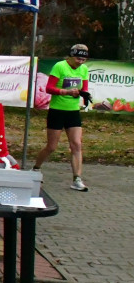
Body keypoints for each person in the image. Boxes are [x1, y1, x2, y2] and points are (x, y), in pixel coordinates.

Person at [32, 44, 91, 191]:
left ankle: (77, 179)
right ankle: (36, 168)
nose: (80, 62)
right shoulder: (60, 66)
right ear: (71, 56)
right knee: (52, 147)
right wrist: (67, 92)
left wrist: (85, 95)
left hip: (73, 111)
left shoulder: (83, 69)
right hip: (57, 110)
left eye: (83, 59)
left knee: (76, 144)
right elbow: (49, 88)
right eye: (78, 59)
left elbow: (84, 88)